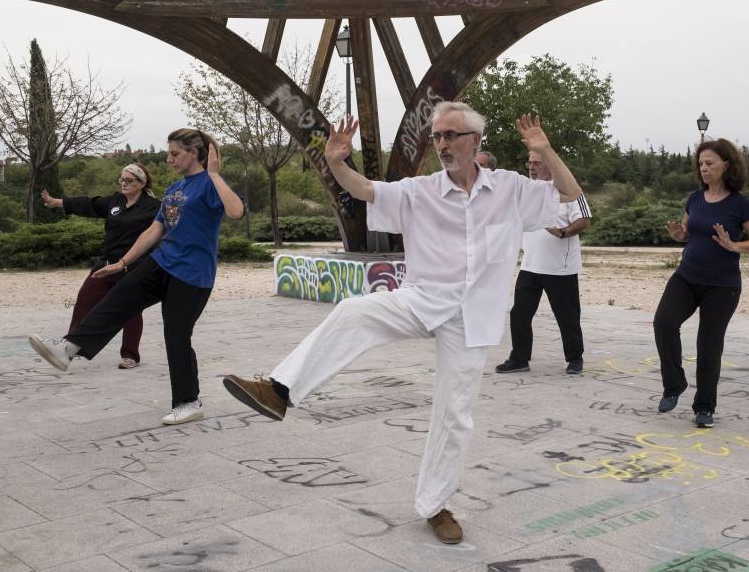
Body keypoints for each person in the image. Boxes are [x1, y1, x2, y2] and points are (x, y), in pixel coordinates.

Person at [222, 103, 582, 545]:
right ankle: (278, 391)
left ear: (475, 141)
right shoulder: (419, 190)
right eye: (437, 137)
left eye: (452, 135)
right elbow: (366, 190)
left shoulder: (510, 188)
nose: (443, 144)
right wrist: (337, 162)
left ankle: (435, 505)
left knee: (455, 413)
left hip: (474, 316)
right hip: (424, 298)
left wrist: (546, 150)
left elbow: (568, 193)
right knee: (354, 311)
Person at [28, 129, 245, 426]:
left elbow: (236, 212)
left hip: (193, 275)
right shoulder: (174, 189)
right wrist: (122, 263)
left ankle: (188, 402)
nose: (169, 159)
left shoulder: (209, 185)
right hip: (162, 262)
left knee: (176, 336)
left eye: (175, 153)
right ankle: (68, 348)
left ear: (194, 153)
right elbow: (154, 231)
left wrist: (216, 175)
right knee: (119, 297)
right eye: (168, 153)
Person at [654, 138, 749, 428]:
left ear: (726, 165)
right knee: (663, 323)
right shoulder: (695, 198)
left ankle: (704, 407)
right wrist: (679, 234)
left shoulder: (740, 203)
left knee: (708, 345)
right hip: (686, 276)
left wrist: (735, 246)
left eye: (710, 163)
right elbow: (689, 233)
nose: (703, 169)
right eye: (700, 164)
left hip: (722, 285)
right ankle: (674, 384)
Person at [40, 164, 161, 369]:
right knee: (85, 298)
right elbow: (89, 204)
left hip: (134, 267)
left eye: (129, 180)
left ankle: (130, 355)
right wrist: (58, 202)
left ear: (142, 183)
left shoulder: (153, 206)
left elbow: (162, 231)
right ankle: (69, 347)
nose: (124, 183)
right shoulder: (115, 201)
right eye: (121, 179)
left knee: (131, 309)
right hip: (106, 264)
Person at [495, 150, 592, 374]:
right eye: (529, 162)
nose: (532, 166)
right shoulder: (527, 191)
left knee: (567, 317)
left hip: (560, 268)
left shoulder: (568, 190)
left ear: (550, 164)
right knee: (519, 314)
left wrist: (564, 232)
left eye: (537, 162)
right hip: (530, 266)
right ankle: (519, 359)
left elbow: (584, 219)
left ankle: (575, 359)